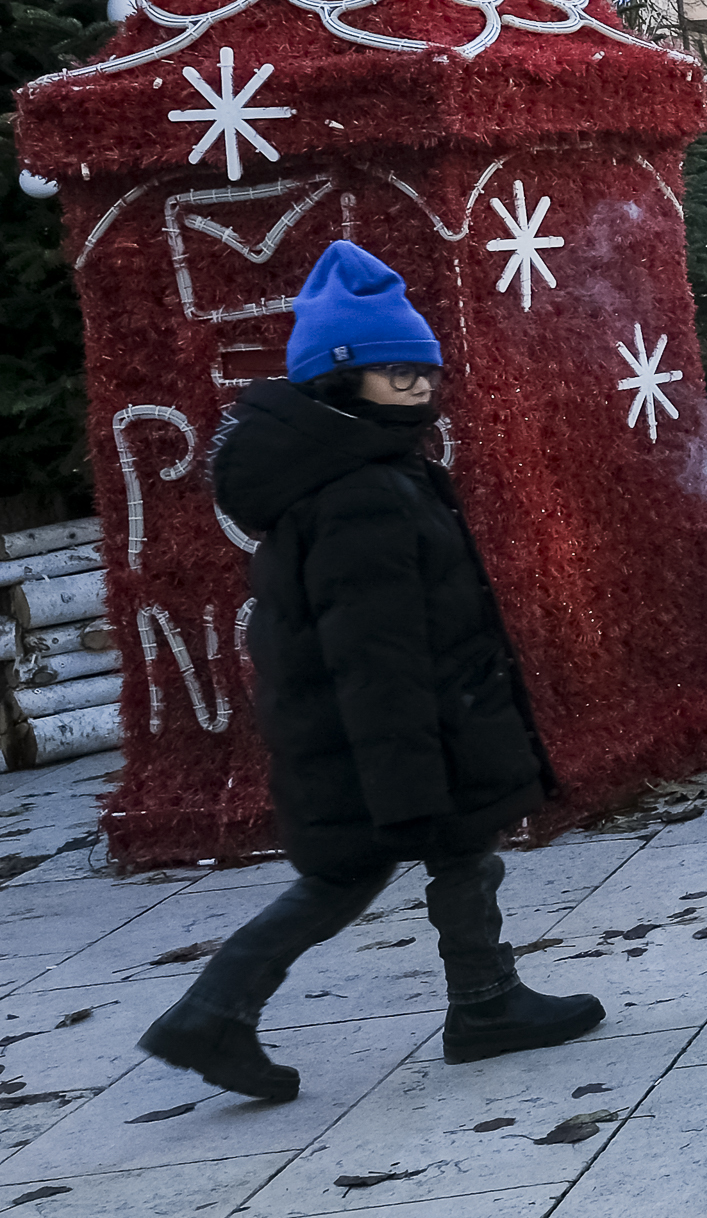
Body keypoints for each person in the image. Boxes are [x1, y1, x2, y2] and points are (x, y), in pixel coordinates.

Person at [136, 244, 604, 1102]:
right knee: (343, 878)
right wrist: (405, 776)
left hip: (417, 725)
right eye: (394, 374)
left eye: (422, 370)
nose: (418, 388)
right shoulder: (360, 493)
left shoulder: (369, 470)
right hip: (378, 737)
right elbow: (374, 652)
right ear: (341, 381)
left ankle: (485, 998)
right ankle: (210, 1013)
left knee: (462, 848)